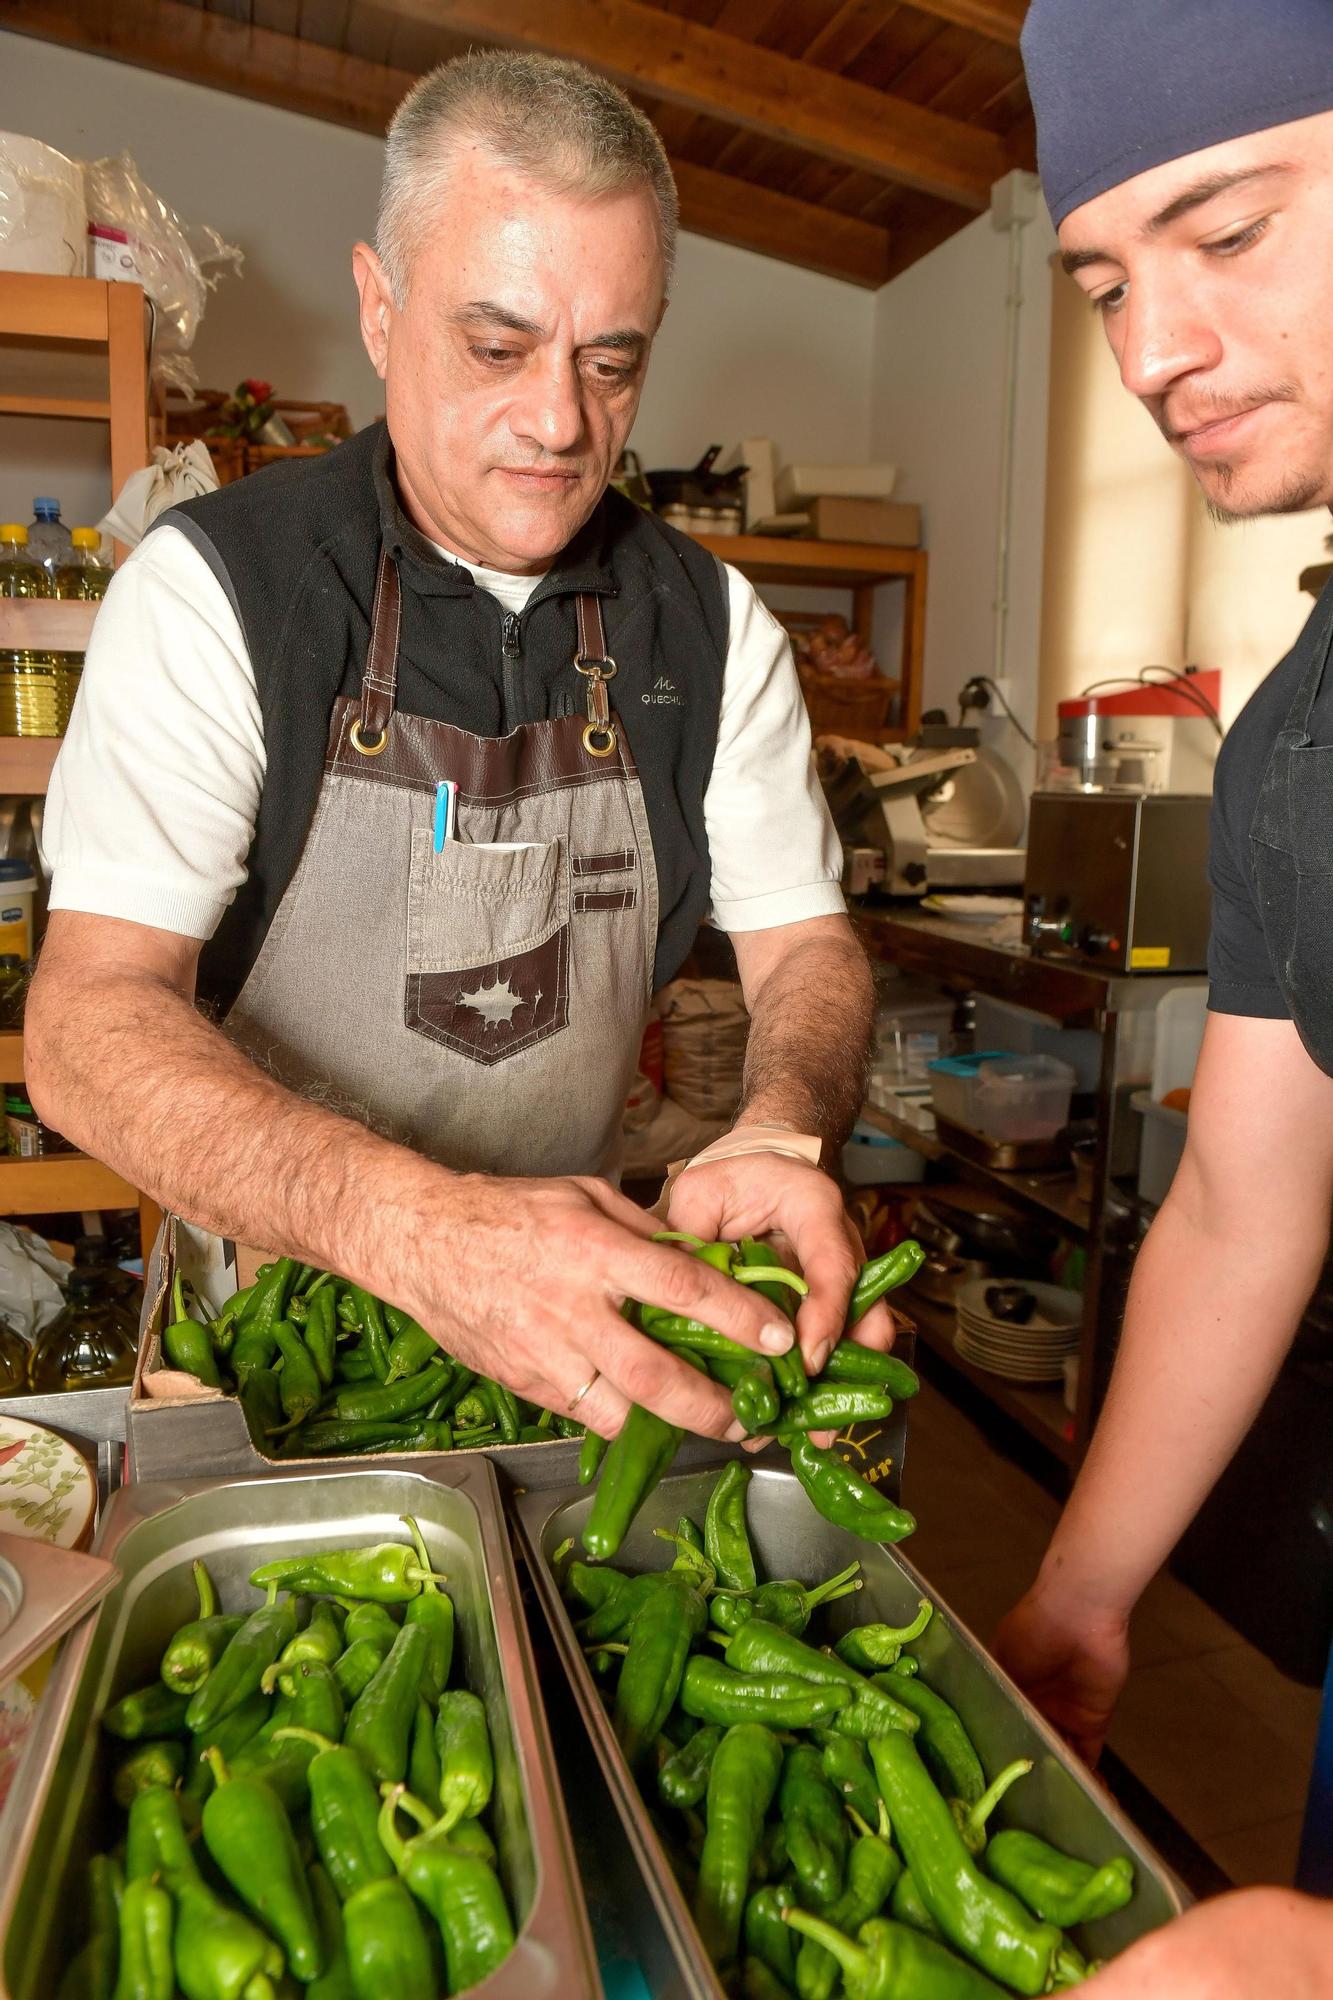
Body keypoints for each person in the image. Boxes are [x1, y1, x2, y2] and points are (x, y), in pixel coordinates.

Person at [25, 50, 889, 1443]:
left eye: (611, 363)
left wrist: (780, 1126)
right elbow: (84, 1022)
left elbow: (804, 944)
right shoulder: (216, 590)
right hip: (274, 1341)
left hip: (583, 1313)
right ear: (379, 307)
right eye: (495, 347)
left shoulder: (709, 624)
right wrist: (418, 1231)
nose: (559, 422)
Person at [990, 0, 1333, 1987]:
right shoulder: (1295, 738)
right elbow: (1237, 1193)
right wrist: (1082, 1597)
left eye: (1229, 229)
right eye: (1105, 281)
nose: (1148, 357)